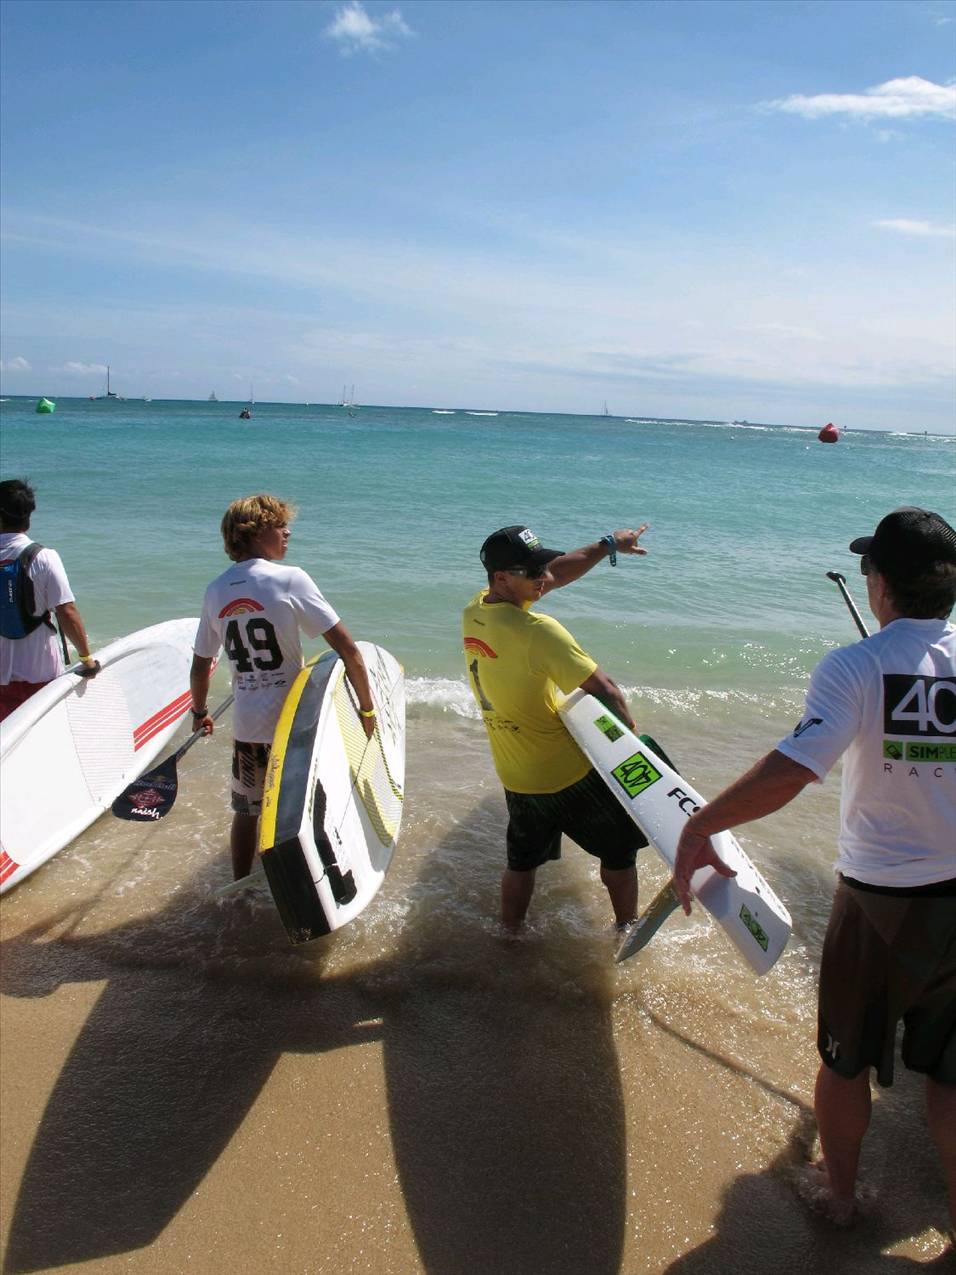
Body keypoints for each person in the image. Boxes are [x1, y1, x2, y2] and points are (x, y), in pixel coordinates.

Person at [672, 507, 956, 1227]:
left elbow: (793, 769)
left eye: (869, 568)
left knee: (845, 1060)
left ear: (879, 583)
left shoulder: (855, 665)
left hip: (881, 902)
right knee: (952, 1077)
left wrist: (701, 824)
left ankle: (840, 1198)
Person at [463, 522, 651, 933]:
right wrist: (633, 749)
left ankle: (510, 935)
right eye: (532, 571)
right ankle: (626, 928)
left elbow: (558, 573)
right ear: (502, 577)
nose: (543, 576)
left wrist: (608, 545)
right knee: (619, 851)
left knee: (522, 861)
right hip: (567, 774)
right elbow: (607, 691)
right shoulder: (539, 631)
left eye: (541, 565)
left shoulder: (476, 610)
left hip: (516, 774)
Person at [190, 494, 376, 881]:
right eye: (280, 526)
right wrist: (367, 709)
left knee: (247, 812)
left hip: (247, 726)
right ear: (255, 533)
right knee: (307, 807)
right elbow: (348, 650)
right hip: (293, 725)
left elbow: (201, 664)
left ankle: (241, 885)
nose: (287, 533)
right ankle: (317, 881)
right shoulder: (290, 579)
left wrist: (200, 712)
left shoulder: (215, 589)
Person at [0, 478, 99, 722]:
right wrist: (87, 660)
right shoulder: (44, 558)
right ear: (29, 515)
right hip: (39, 672)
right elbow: (67, 612)